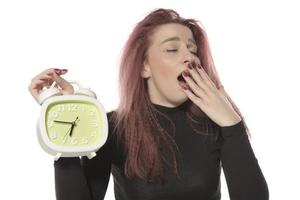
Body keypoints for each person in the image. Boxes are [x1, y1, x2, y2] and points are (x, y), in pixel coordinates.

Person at [28, 8, 269, 200]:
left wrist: (232, 124)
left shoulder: (213, 125)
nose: (189, 56)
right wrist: (66, 123)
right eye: (172, 49)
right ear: (144, 67)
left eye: (192, 49)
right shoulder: (113, 126)